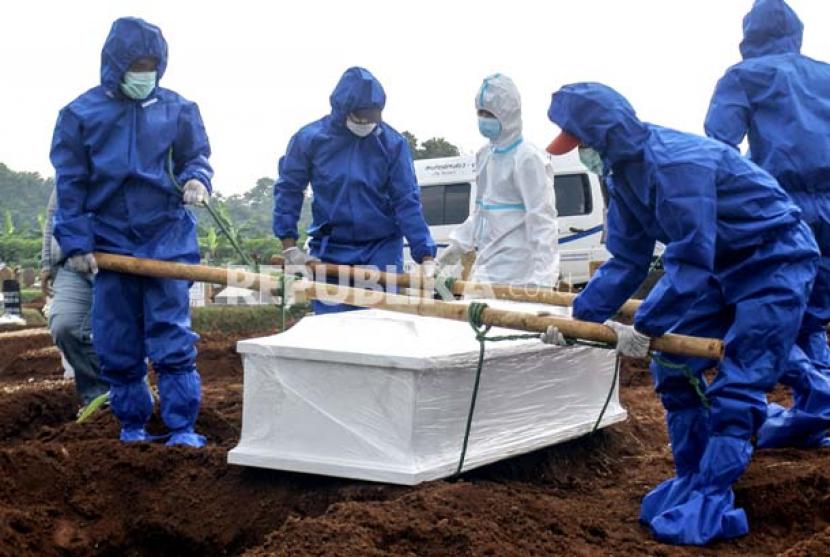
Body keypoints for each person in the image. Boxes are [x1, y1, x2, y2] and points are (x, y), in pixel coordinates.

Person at [545, 82, 819, 545]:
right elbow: (627, 258)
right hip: (722, 263)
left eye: (584, 143)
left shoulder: (675, 164)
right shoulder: (622, 173)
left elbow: (690, 258)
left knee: (741, 379)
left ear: (604, 136)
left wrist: (646, 325)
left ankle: (712, 494)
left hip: (774, 258)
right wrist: (581, 315)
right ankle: (692, 476)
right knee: (672, 366)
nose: (583, 152)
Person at [50, 17, 212, 447]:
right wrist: (77, 242)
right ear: (116, 64)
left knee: (171, 335)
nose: (145, 73)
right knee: (117, 339)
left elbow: (195, 155)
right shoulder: (80, 115)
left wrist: (197, 179)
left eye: (151, 65)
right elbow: (71, 184)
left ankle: (181, 426)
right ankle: (132, 425)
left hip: (166, 239)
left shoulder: (178, 109)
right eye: (136, 64)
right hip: (110, 242)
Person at [705, 0, 830, 448]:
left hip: (777, 208)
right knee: (813, 319)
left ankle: (818, 403)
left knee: (761, 309)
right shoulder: (826, 74)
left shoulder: (744, 77)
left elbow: (719, 145)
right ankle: (818, 418)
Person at [273, 67, 436, 314]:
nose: (366, 125)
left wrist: (425, 255)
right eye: (360, 118)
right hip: (331, 248)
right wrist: (289, 246)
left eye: (372, 120)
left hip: (380, 248)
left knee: (379, 322)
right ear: (343, 111)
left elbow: (406, 200)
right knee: (332, 325)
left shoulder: (392, 144)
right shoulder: (310, 140)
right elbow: (289, 190)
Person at [436, 74, 559, 287]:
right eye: (480, 112)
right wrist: (451, 252)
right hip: (485, 270)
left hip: (520, 277)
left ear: (508, 114)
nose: (483, 119)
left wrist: (543, 280)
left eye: (489, 114)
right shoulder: (485, 156)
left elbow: (543, 221)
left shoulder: (528, 158)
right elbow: (481, 214)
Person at [41, 188, 108, 406]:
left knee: (121, 332)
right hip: (73, 264)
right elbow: (53, 215)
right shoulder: (71, 167)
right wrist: (46, 263)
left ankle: (131, 392)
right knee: (65, 326)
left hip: (117, 263)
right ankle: (97, 396)